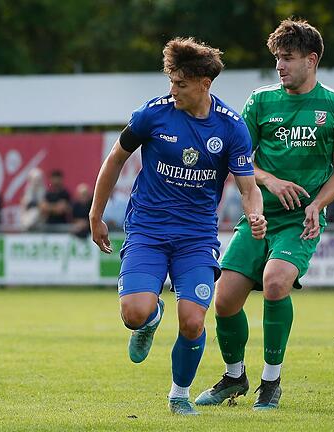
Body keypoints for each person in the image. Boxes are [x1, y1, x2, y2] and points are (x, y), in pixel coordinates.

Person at [89, 37, 266, 416]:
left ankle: (178, 394)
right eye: (170, 81)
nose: (172, 91)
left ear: (205, 83)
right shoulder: (153, 114)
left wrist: (255, 213)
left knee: (192, 321)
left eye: (180, 84)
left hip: (197, 238)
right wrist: (96, 213)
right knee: (133, 313)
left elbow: (248, 187)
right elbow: (115, 160)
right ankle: (150, 319)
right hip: (148, 231)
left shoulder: (232, 127)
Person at [195, 19, 334, 411]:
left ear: (312, 59)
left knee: (275, 282)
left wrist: (317, 205)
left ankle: (271, 382)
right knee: (225, 300)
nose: (280, 66)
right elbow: (241, 160)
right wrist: (270, 181)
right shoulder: (260, 101)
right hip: (257, 214)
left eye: (287, 58)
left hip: (302, 220)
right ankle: (235, 376)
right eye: (277, 59)